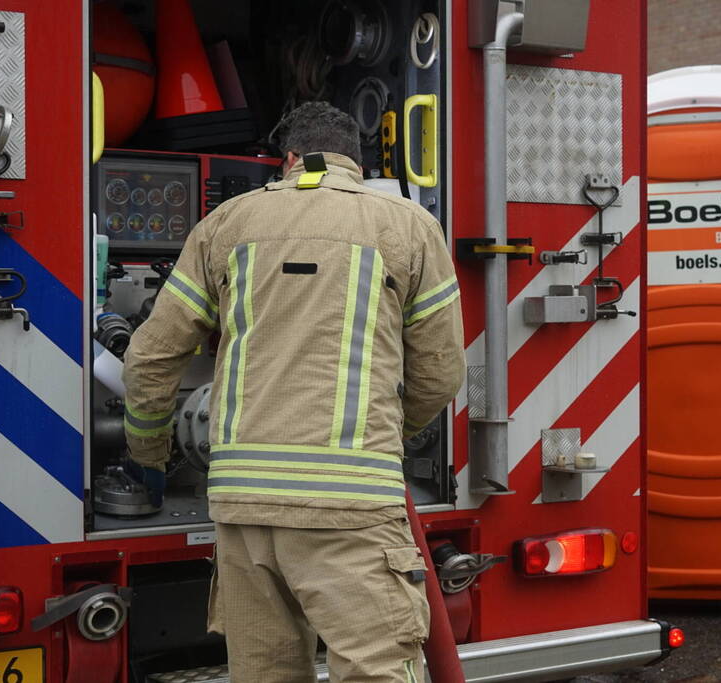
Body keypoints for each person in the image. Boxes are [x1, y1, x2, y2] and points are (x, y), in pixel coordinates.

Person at [121, 101, 465, 682]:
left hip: (242, 510)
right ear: (356, 162)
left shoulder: (224, 225)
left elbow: (149, 361)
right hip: (351, 508)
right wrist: (392, 433)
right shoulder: (407, 226)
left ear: (285, 161)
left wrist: (150, 458)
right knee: (377, 670)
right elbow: (441, 369)